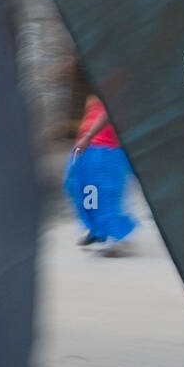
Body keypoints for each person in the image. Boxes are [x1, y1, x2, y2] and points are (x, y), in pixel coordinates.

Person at [64, 95, 137, 257]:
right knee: (82, 190)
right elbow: (92, 115)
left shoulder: (117, 86)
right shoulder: (94, 94)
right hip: (89, 149)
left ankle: (116, 238)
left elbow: (111, 113)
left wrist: (88, 137)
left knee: (107, 194)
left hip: (108, 149)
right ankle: (97, 230)